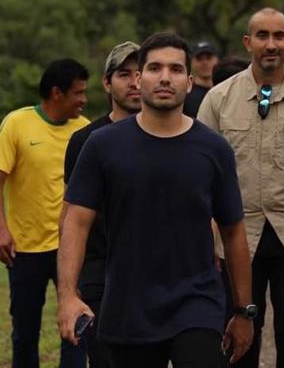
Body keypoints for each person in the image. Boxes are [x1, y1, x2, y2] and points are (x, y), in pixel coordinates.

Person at [57, 32, 254, 368]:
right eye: (154, 68)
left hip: (198, 301)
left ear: (190, 82)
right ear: (139, 78)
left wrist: (243, 310)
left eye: (176, 69)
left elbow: (234, 231)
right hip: (128, 303)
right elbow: (76, 222)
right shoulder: (102, 145)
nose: (165, 77)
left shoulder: (213, 149)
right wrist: (68, 297)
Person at [198, 8, 284, 368]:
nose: (271, 44)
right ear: (248, 43)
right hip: (237, 234)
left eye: (279, 36)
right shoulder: (218, 99)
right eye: (262, 35)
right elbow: (199, 173)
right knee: (241, 336)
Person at [0, 59, 90, 368]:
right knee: (25, 329)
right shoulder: (17, 124)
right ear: (57, 93)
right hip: (25, 247)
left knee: (77, 324)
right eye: (78, 93)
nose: (84, 100)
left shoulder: (85, 129)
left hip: (71, 245)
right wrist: (1, 229)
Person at [61, 41, 142, 368]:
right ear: (107, 83)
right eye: (124, 74)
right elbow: (70, 216)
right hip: (101, 272)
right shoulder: (86, 140)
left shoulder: (171, 135)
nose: (134, 83)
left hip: (155, 273)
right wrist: (69, 288)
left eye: (140, 73)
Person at [183, 41, 219, 117]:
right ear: (191, 62)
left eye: (208, 58)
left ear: (217, 60)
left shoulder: (224, 91)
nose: (204, 62)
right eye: (199, 59)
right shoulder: (186, 95)